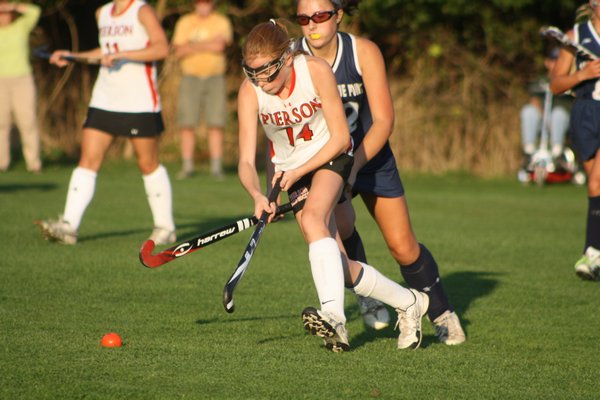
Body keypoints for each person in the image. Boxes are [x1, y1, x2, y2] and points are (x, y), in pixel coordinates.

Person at [238, 19, 429, 352]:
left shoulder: (315, 71)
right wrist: (258, 195)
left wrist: (296, 173)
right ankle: (410, 301)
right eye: (253, 73)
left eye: (266, 72)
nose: (260, 81)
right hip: (292, 170)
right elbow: (244, 161)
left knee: (313, 218)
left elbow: (341, 138)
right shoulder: (250, 91)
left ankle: (334, 319)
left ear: (285, 58)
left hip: (332, 156)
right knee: (338, 268)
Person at [295, 0, 466, 345]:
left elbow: (384, 121)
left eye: (321, 15)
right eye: (303, 18)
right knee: (335, 249)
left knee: (403, 247)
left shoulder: (363, 52)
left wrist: (352, 166)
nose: (312, 24)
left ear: (339, 14)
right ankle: (370, 295)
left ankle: (442, 312)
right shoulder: (293, 59)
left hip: (369, 159)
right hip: (323, 165)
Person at [36, 0, 176, 246]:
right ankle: (69, 226)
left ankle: (165, 227)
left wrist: (122, 54)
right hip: (105, 96)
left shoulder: (142, 10)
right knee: (87, 160)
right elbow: (104, 52)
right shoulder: (102, 12)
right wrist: (72, 56)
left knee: (147, 163)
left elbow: (161, 48)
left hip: (139, 100)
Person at [550, 0, 600, 281]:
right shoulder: (575, 37)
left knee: (596, 182)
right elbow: (556, 84)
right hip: (585, 115)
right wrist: (583, 74)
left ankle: (591, 253)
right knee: (595, 185)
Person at [171, 0, 232, 180]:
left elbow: (220, 46)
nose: (203, 6)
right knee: (187, 123)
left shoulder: (221, 21)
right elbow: (179, 51)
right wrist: (209, 43)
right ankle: (187, 166)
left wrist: (192, 44)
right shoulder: (185, 22)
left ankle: (216, 167)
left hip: (215, 77)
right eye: (200, 2)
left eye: (206, 2)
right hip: (190, 77)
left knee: (216, 123)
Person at [518, 47, 572, 182]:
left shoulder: (570, 80)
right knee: (528, 111)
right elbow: (534, 100)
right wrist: (544, 117)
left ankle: (557, 153)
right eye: (553, 60)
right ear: (547, 62)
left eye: (559, 61)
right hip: (543, 120)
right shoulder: (540, 81)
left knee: (558, 115)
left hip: (564, 121)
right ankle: (529, 152)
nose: (556, 64)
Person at [0, 1, 42, 173]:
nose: (3, 16)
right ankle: (2, 163)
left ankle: (34, 163)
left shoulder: (21, 26)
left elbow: (35, 11)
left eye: (5, 12)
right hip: (1, 81)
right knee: (1, 123)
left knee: (28, 122)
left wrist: (13, 6)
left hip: (22, 80)